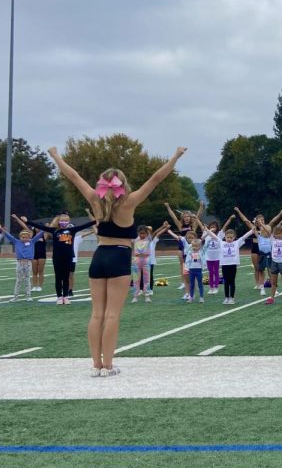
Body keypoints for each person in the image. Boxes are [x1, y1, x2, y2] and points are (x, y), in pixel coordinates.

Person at [46, 145, 187, 377]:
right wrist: (175, 157)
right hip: (120, 256)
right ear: (123, 183)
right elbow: (155, 179)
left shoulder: (94, 198)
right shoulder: (129, 201)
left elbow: (73, 176)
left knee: (96, 314)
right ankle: (108, 365)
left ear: (102, 183)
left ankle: (96, 365)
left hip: (99, 257)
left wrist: (56, 156)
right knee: (112, 314)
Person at [17, 212, 95, 304]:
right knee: (58, 278)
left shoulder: (72, 230)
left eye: (66, 221)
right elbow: (42, 227)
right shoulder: (54, 231)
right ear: (59, 221)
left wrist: (97, 221)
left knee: (66, 278)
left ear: (69, 222)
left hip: (68, 257)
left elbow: (85, 225)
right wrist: (28, 221)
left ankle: (65, 297)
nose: (64, 222)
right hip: (57, 258)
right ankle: (59, 297)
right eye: (62, 221)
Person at [2, 225, 44, 302]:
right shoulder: (17, 242)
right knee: (18, 280)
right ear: (20, 237)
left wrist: (44, 229)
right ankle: (15, 297)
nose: (24, 239)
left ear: (29, 237)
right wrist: (3, 231)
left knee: (27, 280)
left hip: (28, 263)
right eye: (23, 237)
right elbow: (9, 236)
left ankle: (28, 296)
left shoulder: (32, 242)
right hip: (19, 263)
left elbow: (39, 235)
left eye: (26, 237)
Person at [131, 226, 153, 303]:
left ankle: (147, 296)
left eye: (143, 233)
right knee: (136, 279)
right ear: (138, 233)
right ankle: (135, 296)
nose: (142, 235)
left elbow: (150, 229)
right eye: (140, 233)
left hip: (146, 260)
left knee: (146, 279)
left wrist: (147, 229)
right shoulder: (136, 239)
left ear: (146, 233)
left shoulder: (148, 239)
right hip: (136, 260)